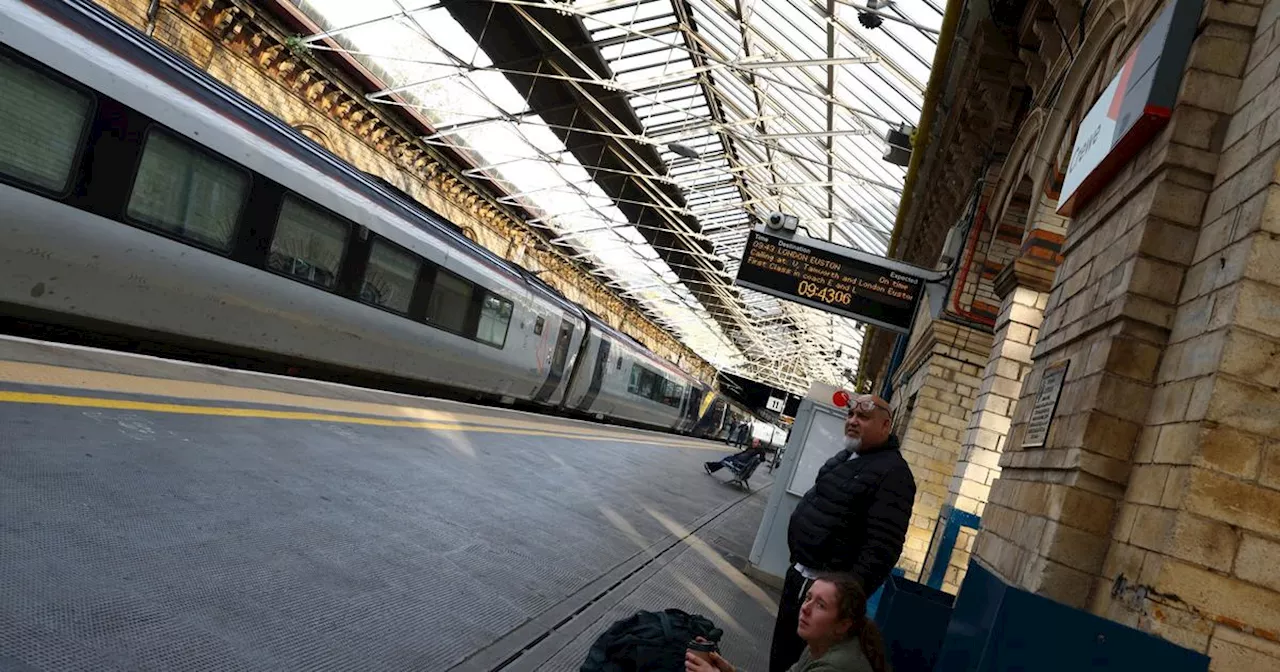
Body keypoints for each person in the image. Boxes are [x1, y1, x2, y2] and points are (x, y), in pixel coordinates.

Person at [770, 394, 914, 672]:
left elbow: (882, 549)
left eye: (863, 417)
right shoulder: (845, 457)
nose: (852, 421)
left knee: (804, 663)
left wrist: (841, 602)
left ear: (886, 425)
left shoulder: (894, 474)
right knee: (781, 660)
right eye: (850, 415)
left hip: (827, 600)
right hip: (801, 581)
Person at [683, 574, 888, 672]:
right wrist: (730, 671)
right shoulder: (821, 644)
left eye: (821, 605)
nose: (806, 608)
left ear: (843, 624)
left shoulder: (836, 667)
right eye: (808, 598)